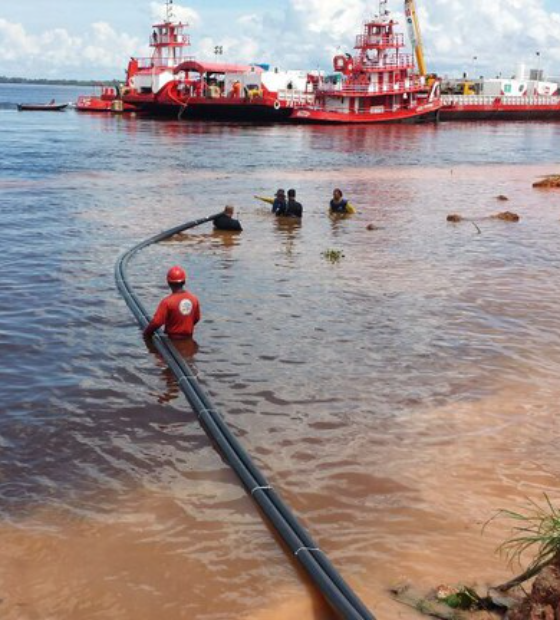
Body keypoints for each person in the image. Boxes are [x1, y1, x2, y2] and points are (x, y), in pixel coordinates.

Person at [143, 266, 201, 340]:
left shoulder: (167, 302)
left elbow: (156, 322)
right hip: (189, 339)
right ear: (184, 282)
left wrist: (146, 333)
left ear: (168, 283)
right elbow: (197, 318)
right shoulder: (194, 299)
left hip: (171, 341)